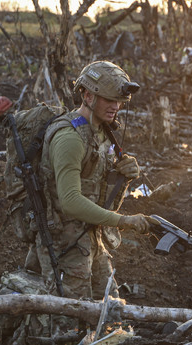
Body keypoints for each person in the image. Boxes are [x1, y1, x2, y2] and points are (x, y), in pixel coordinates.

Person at [32, 60, 155, 301]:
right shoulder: (70, 138)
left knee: (109, 309)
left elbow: (96, 193)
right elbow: (70, 201)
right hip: (64, 243)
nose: (115, 107)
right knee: (70, 319)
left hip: (91, 237)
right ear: (87, 96)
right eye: (108, 100)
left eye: (118, 101)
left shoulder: (102, 132)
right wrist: (123, 221)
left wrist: (123, 177)